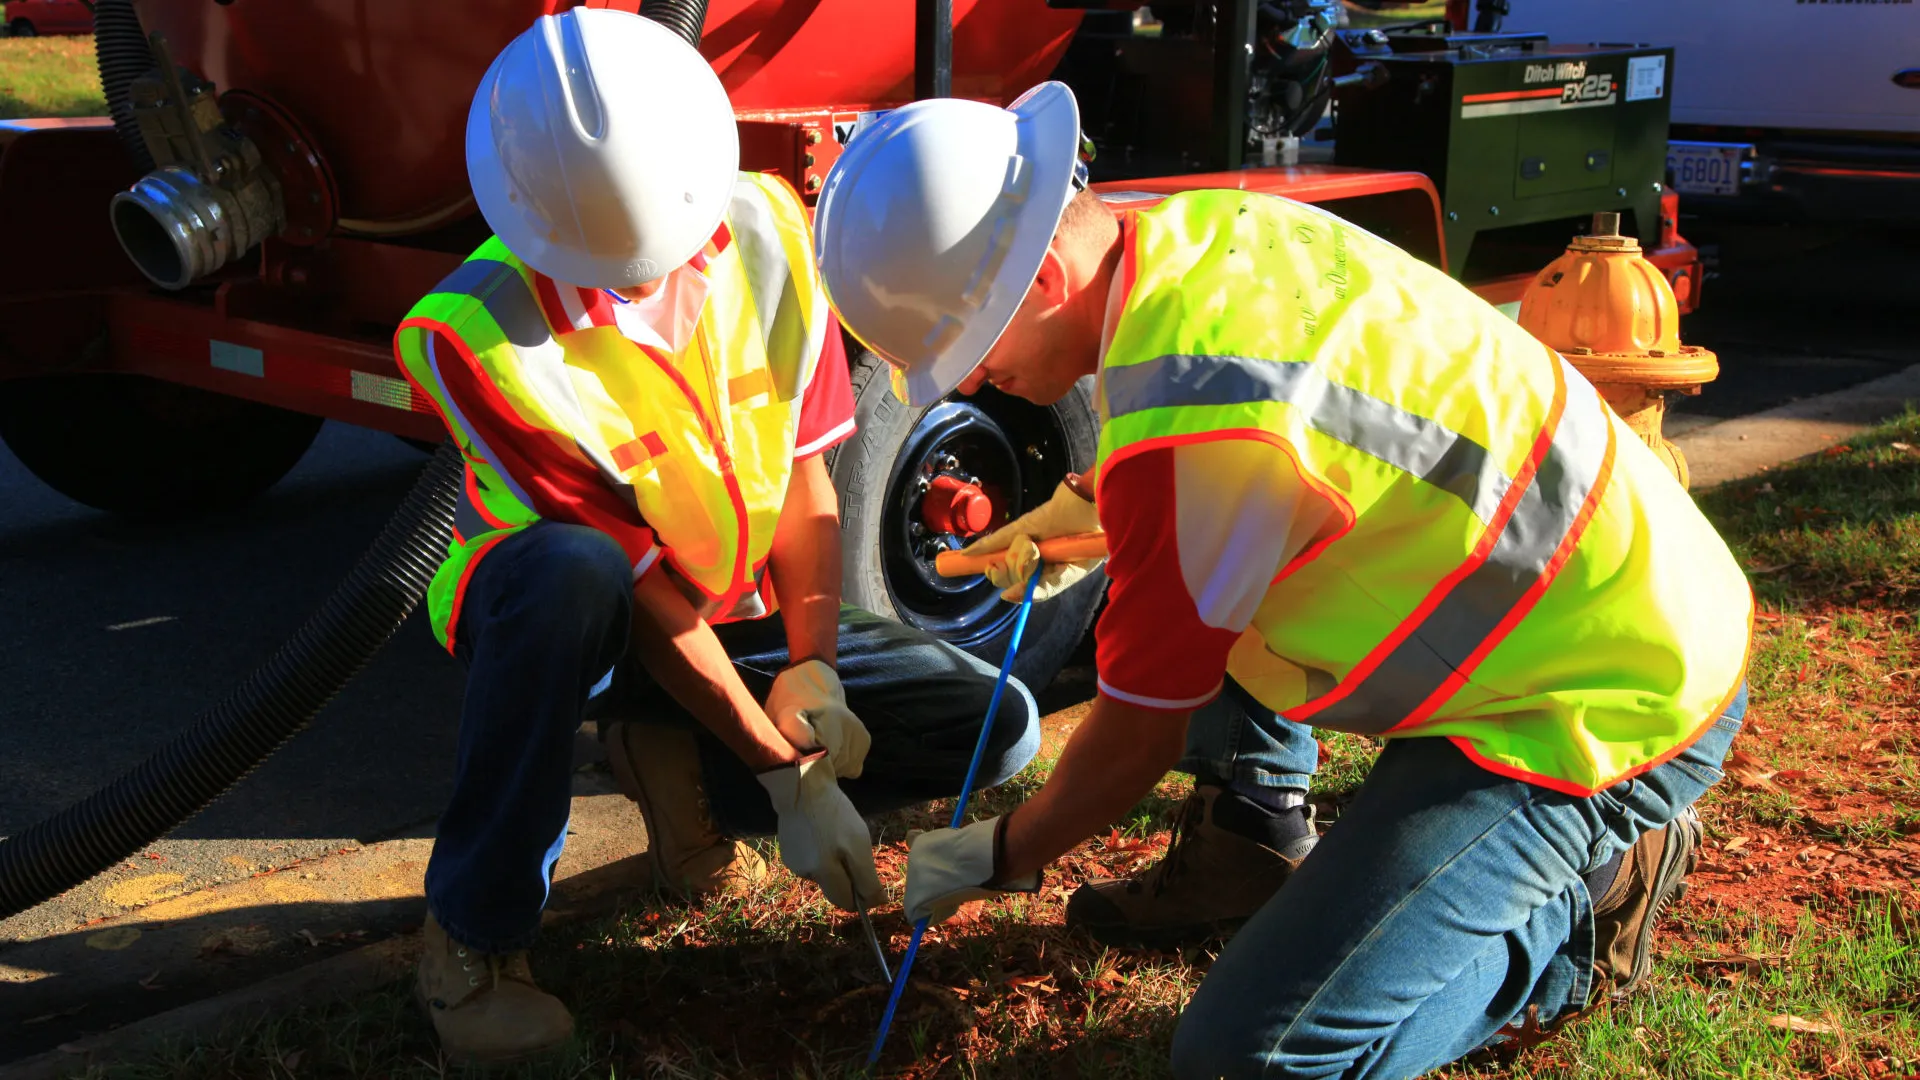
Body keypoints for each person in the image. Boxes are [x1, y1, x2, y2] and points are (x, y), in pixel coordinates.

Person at [813, 81, 1752, 1079]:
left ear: (1043, 276)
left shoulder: (1194, 431)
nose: (966, 384)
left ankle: (1574, 918)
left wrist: (997, 853)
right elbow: (1281, 458)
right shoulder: (1196, 239)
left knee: (1255, 1058)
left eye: (969, 347)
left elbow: (1134, 737)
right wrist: (1107, 515)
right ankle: (1248, 838)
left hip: (1602, 702)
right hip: (1615, 598)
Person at [389, 11, 1039, 1064]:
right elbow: (636, 587)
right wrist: (784, 770)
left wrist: (815, 665)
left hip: (730, 615)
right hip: (580, 633)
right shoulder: (480, 334)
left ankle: (678, 764)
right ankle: (472, 939)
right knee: (571, 570)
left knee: (997, 725)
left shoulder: (772, 236)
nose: (651, 277)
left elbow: (801, 474)